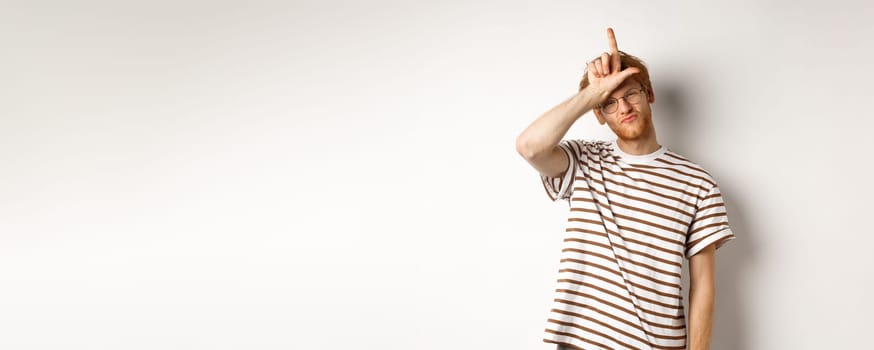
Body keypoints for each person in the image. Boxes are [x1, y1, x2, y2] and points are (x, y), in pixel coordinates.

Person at [515, 28, 735, 350]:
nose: (623, 108)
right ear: (599, 115)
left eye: (630, 94)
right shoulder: (584, 160)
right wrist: (593, 92)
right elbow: (529, 146)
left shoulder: (698, 182)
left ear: (649, 94)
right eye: (609, 103)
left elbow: (703, 288)